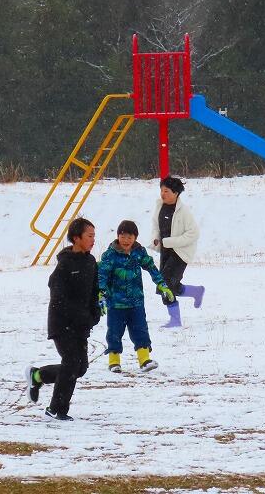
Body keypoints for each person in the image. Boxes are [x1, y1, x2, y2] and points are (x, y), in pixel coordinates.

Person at [25, 217, 101, 421]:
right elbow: (57, 295)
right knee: (71, 362)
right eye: (89, 236)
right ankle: (56, 409)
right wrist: (76, 315)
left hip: (81, 325)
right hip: (62, 324)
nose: (93, 240)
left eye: (94, 236)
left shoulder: (91, 262)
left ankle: (37, 376)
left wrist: (94, 313)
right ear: (76, 238)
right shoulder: (65, 263)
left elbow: (94, 291)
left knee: (80, 368)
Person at [98, 220, 174, 374]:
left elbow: (151, 268)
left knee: (140, 330)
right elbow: (102, 275)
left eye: (130, 237)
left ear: (135, 238)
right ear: (118, 236)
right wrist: (101, 293)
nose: (126, 240)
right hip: (116, 303)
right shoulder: (110, 255)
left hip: (136, 302)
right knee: (114, 333)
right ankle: (114, 361)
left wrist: (162, 284)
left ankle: (144, 360)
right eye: (123, 236)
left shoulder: (139, 252)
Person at [150, 176, 204, 328]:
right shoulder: (159, 206)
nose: (163, 194)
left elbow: (194, 233)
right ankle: (196, 292)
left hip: (181, 253)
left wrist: (169, 242)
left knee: (165, 285)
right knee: (168, 285)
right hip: (165, 251)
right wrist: (155, 239)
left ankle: (175, 320)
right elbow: (155, 226)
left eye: (166, 191)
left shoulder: (183, 211)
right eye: (161, 190)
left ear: (176, 193)